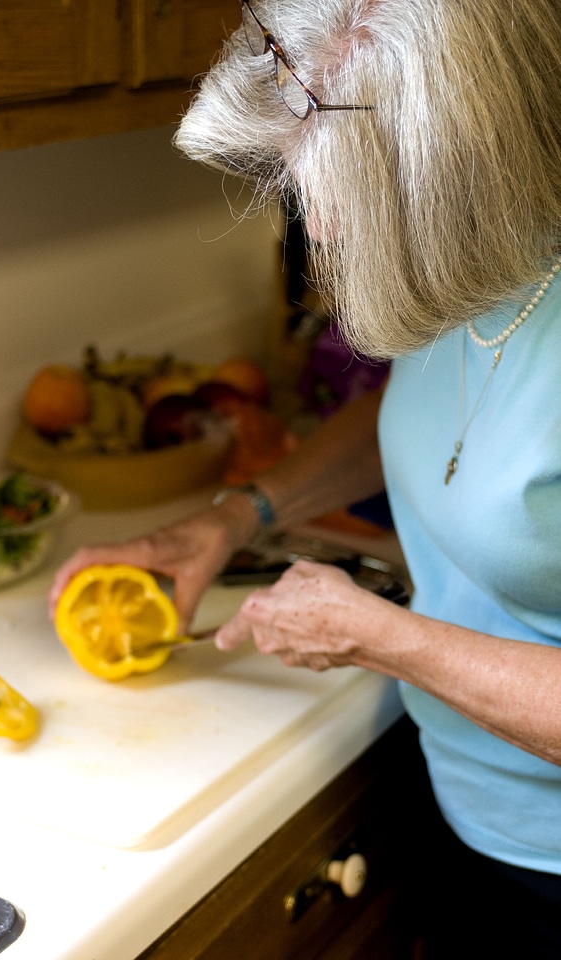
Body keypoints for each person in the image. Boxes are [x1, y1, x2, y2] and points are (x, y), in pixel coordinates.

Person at [50, 1, 561, 955]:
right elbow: (428, 414)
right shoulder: (483, 259)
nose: (316, 225)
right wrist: (238, 516)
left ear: (445, 167)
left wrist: (382, 638)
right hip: (461, 804)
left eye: (328, 188)